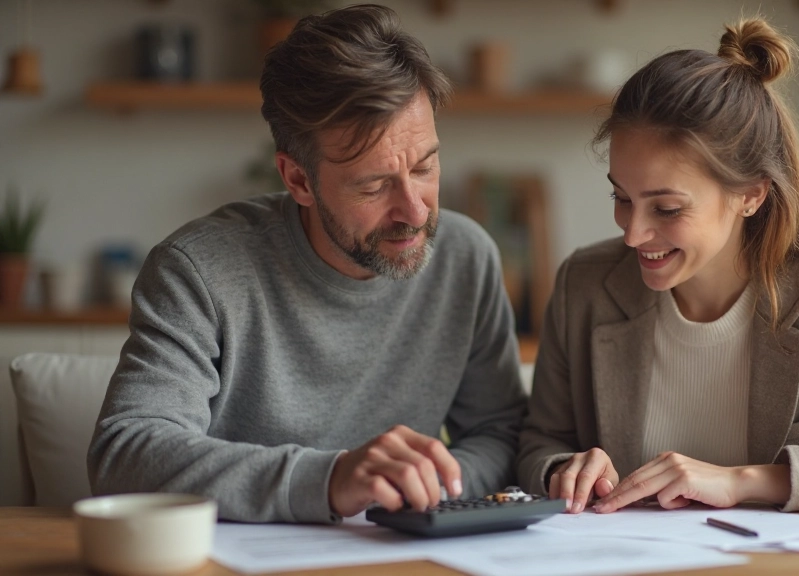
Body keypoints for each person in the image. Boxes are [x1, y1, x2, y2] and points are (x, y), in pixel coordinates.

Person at [88, 5, 526, 524]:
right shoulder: (198, 271)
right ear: (297, 180)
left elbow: (500, 434)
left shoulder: (465, 258)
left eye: (425, 166)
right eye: (374, 185)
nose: (415, 211)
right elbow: (125, 451)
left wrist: (425, 486)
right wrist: (330, 480)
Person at [517, 17, 799, 514]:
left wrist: (747, 482)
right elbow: (539, 443)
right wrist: (565, 469)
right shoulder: (585, 284)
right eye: (621, 197)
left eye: (666, 209)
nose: (633, 233)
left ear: (751, 194)